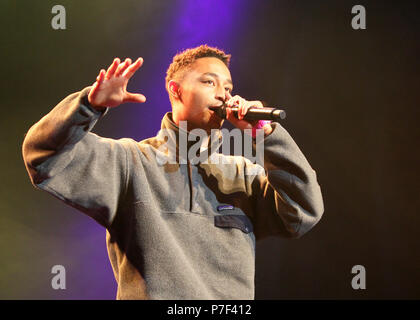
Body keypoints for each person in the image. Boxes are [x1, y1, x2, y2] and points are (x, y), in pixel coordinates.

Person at [22, 45, 324, 299]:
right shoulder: (131, 162)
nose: (224, 95)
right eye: (209, 82)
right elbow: (44, 156)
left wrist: (266, 136)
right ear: (176, 90)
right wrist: (89, 105)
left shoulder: (243, 175)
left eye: (228, 87)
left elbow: (303, 213)